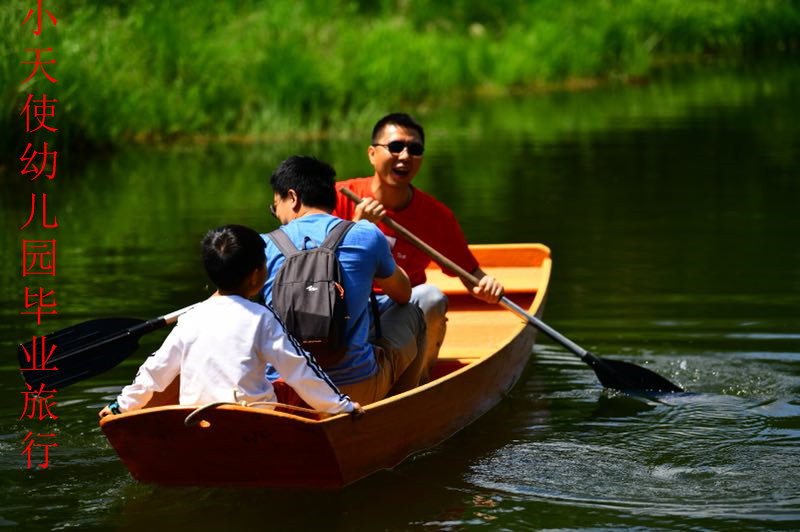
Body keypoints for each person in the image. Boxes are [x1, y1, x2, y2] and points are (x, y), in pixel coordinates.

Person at [99, 224, 363, 418]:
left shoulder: (190, 318)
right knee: (288, 388)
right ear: (255, 275)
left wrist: (120, 406)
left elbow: (156, 370)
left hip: (196, 418)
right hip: (253, 419)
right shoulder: (262, 318)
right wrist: (343, 406)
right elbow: (300, 368)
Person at [333, 112, 504, 375]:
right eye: (395, 147)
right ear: (372, 154)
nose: (405, 156)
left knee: (433, 298)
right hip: (344, 310)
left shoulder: (436, 216)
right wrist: (358, 226)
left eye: (414, 149)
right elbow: (317, 263)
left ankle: (418, 381)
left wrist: (486, 285)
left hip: (398, 310)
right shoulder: (340, 196)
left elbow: (470, 273)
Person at [262, 155, 426, 405]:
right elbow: (403, 294)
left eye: (276, 206)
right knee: (413, 312)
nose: (278, 214)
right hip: (355, 389)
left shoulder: (262, 246)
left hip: (285, 393)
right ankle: (400, 408)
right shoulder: (366, 234)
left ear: (292, 198)